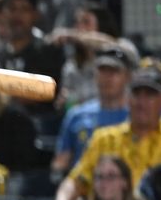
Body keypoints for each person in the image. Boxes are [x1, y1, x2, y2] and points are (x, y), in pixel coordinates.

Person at [56, 62, 161, 200]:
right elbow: (76, 181)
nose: (142, 102)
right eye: (137, 94)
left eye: (150, 95)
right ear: (128, 99)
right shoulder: (105, 138)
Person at [51, 45, 132, 178]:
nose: (108, 77)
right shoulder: (76, 115)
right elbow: (61, 161)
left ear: (127, 77)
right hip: (83, 187)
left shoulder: (139, 116)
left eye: (114, 71)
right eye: (103, 71)